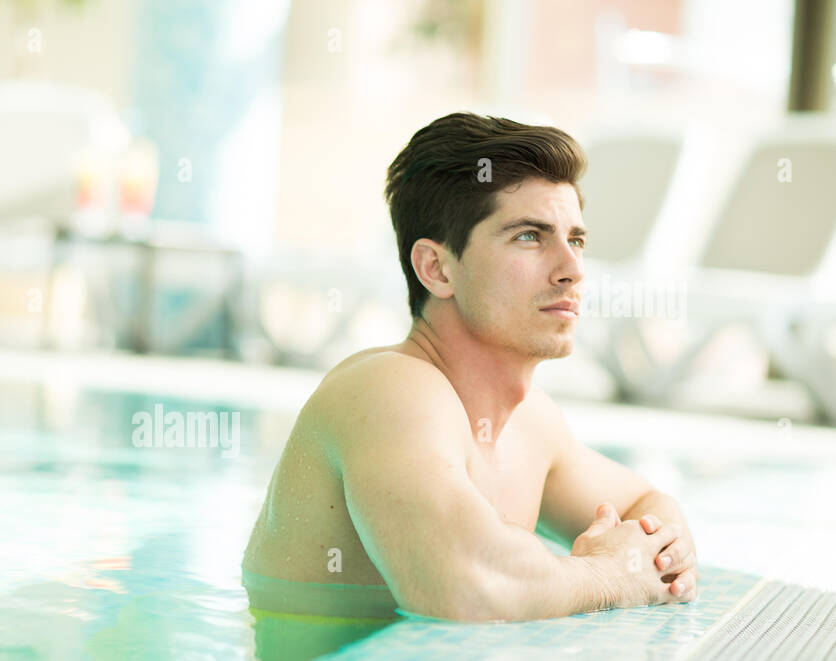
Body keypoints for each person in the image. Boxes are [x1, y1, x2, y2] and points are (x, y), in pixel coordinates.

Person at [242, 112, 698, 623]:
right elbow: (467, 590)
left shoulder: (532, 425)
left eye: (576, 240)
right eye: (530, 236)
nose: (572, 270)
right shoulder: (386, 389)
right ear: (437, 269)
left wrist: (658, 555)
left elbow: (648, 501)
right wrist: (608, 575)